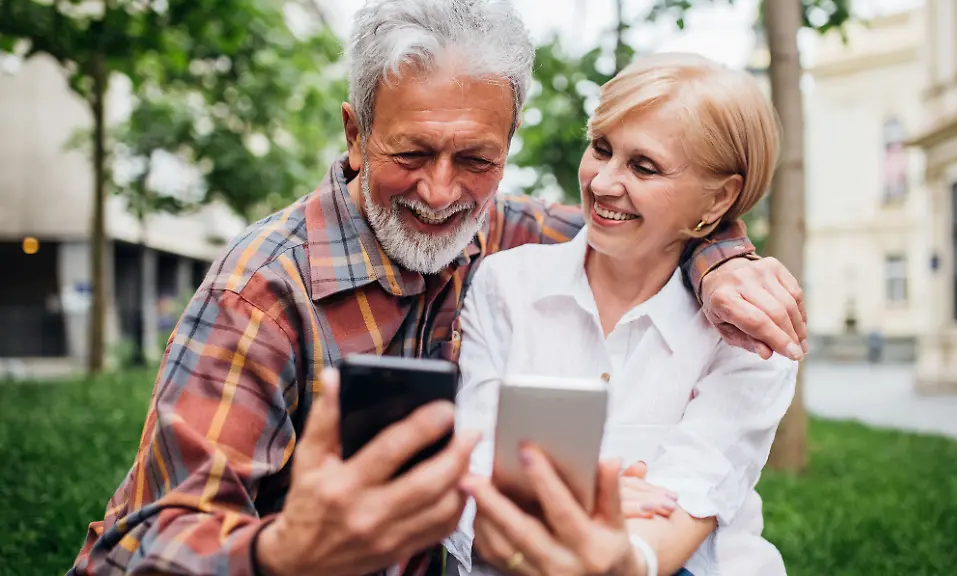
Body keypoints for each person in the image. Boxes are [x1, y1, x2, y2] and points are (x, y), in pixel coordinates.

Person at [69, 2, 807, 575]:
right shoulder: (262, 293)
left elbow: (649, 231)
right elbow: (139, 546)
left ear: (508, 144)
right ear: (355, 134)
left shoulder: (505, 232)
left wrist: (724, 260)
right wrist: (285, 551)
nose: (441, 191)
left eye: (477, 160)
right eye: (412, 153)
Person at [447, 52, 797, 576]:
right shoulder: (507, 286)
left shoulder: (750, 332)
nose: (603, 183)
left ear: (718, 199)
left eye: (643, 166)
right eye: (602, 148)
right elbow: (473, 489)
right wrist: (589, 501)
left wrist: (544, 504)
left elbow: (673, 525)